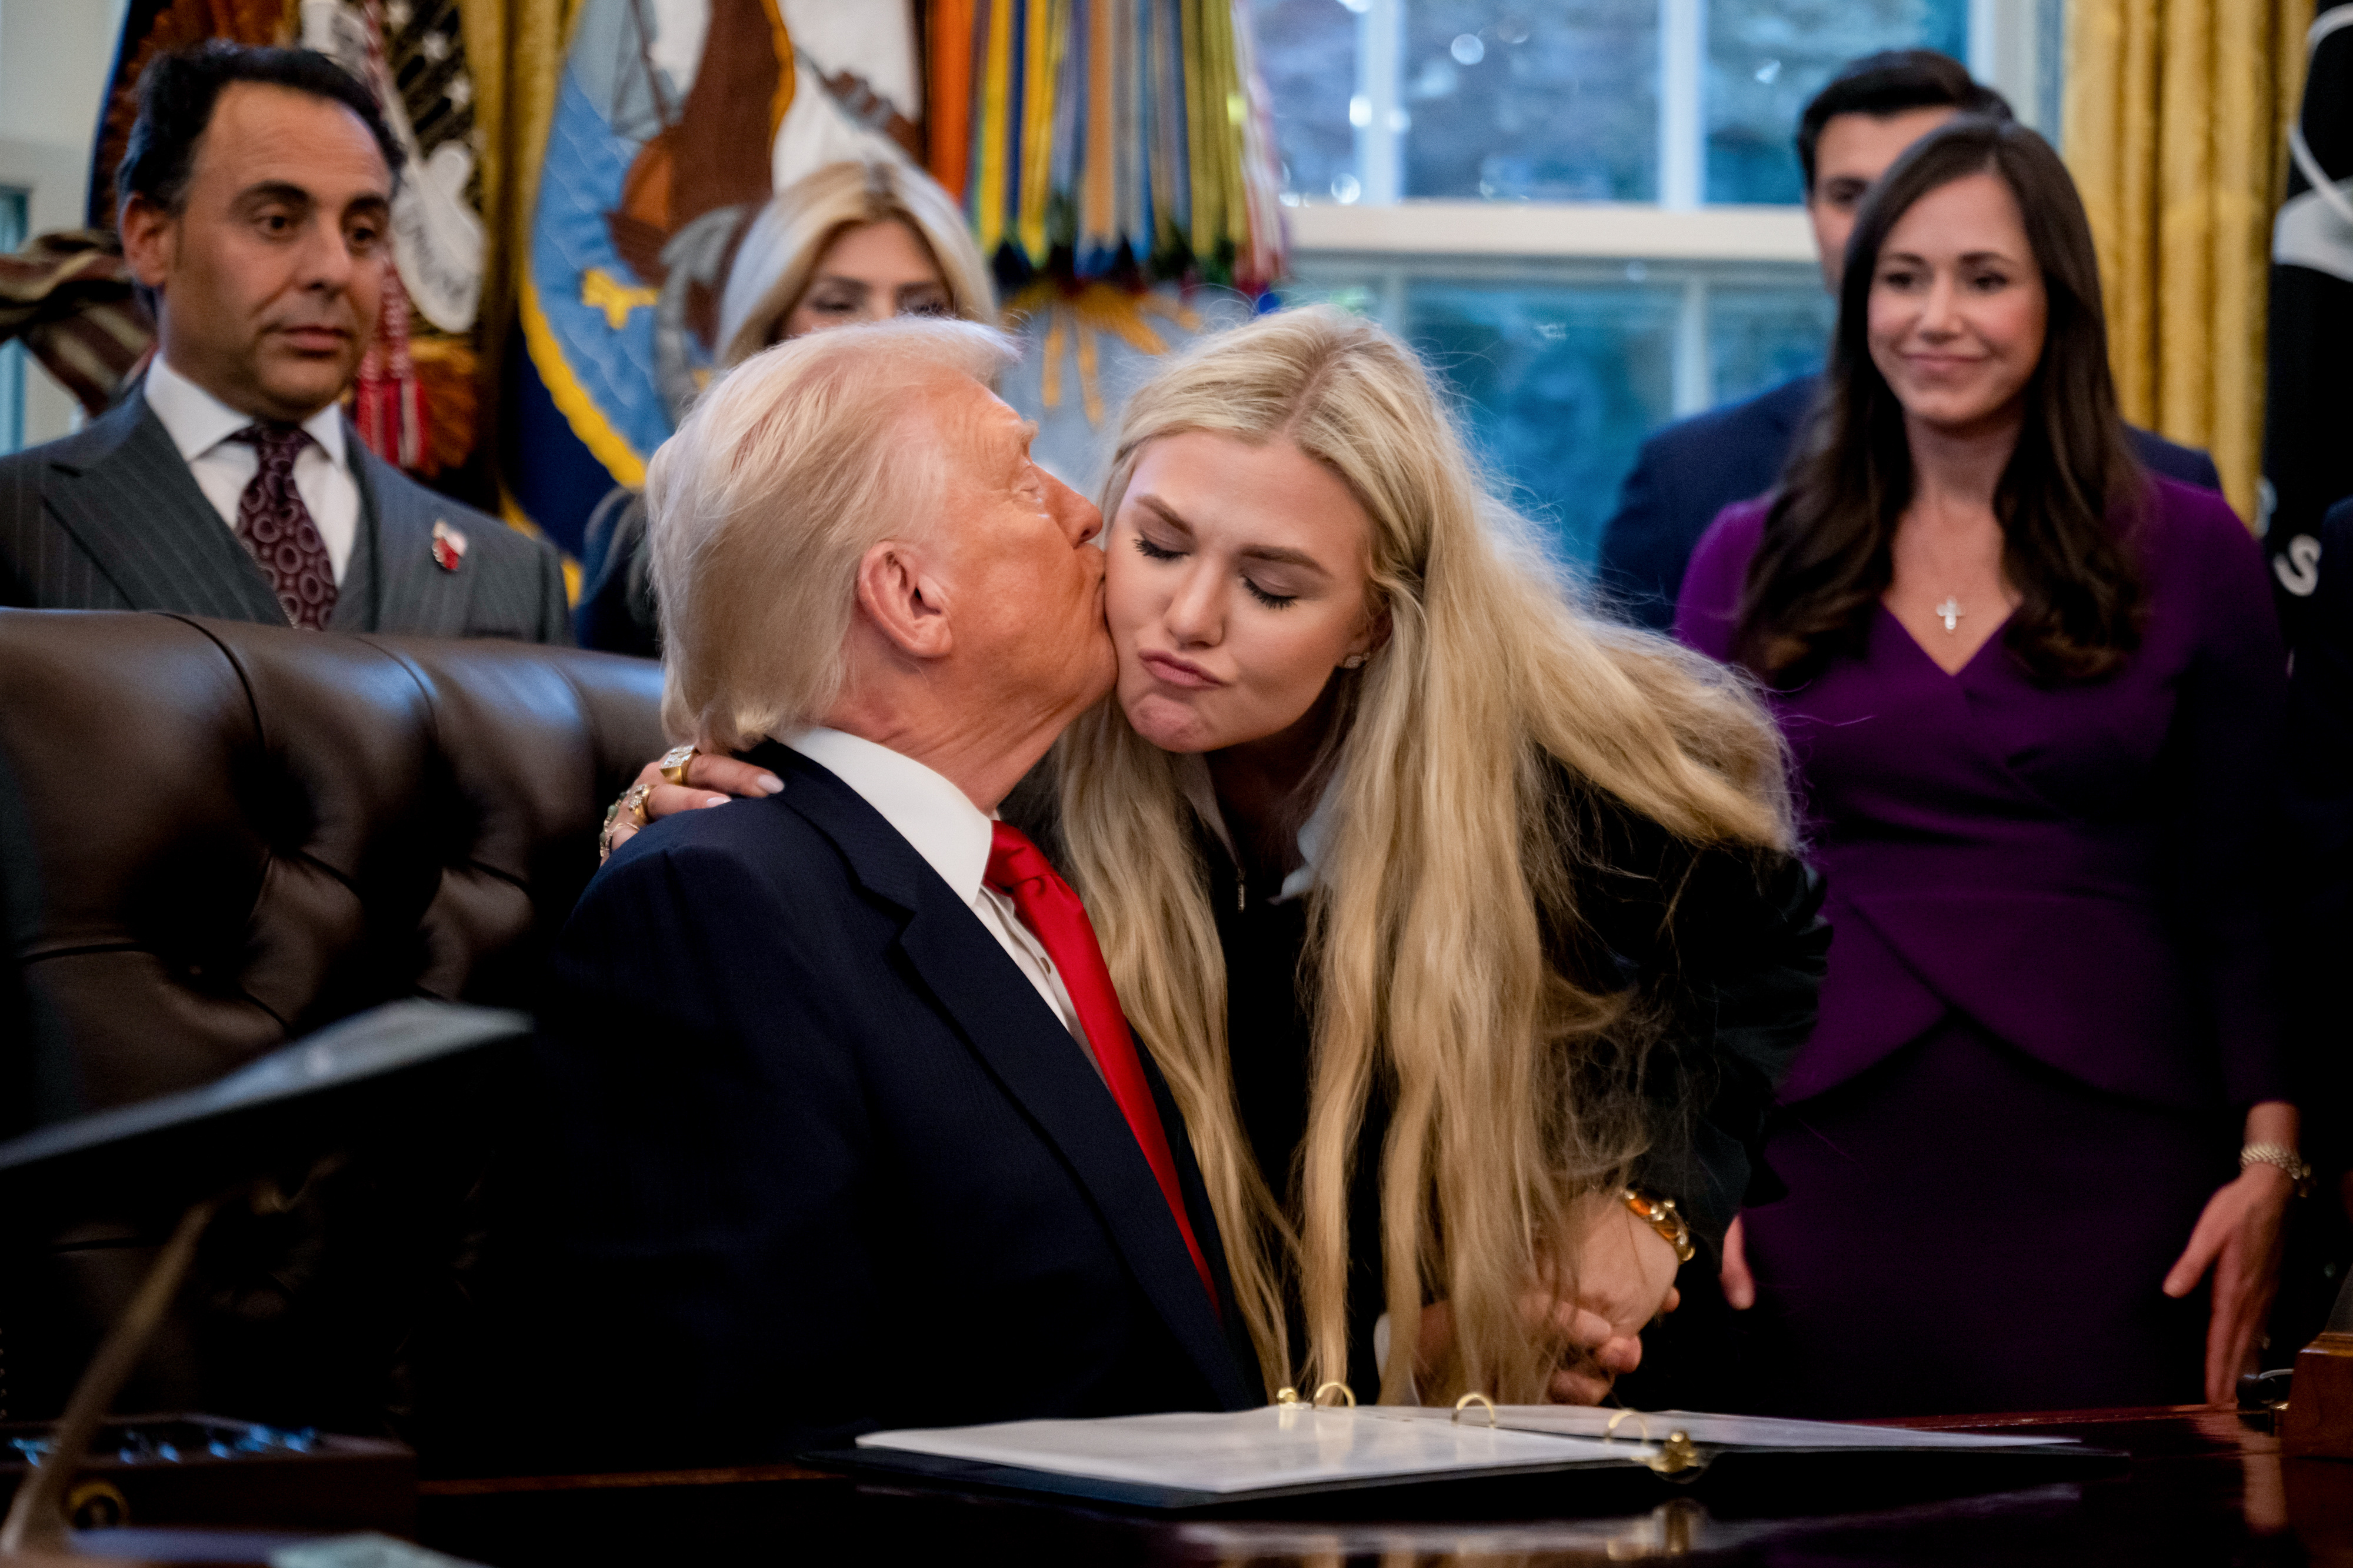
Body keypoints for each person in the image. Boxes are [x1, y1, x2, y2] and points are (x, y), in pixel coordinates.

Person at [618, 305, 1830, 1408]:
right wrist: (678, 793)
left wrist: (1650, 1210)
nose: (1186, 620)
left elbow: (1764, 926)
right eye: (1155, 543)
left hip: (1551, 1380)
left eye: (1269, 585)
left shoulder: (1552, 748)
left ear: (1371, 620)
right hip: (1243, 1390)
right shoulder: (1033, 737)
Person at [504, 317, 1258, 1466]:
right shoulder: (716, 912)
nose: (1085, 512)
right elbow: (736, 1461)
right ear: (910, 597)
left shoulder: (1011, 878)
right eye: (1020, 477)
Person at [1677, 116, 2297, 1417]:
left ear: (2055, 300)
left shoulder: (2190, 546)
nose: (1933, 317)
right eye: (1900, 278)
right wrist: (1684, 1166)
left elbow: (2246, 889)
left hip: (2119, 1171)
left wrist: (2268, 1154)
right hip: (1815, 1168)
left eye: (1982, 277)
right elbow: (1692, 905)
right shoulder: (1745, 555)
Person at [1597, 49, 2221, 632]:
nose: (1888, 222)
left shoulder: (2172, 501)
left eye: (1924, 183)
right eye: (1850, 197)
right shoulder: (1690, 482)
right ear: (1809, 210)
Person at [0, 44, 566, 641]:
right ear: (150, 239)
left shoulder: (513, 578)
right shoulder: (16, 523)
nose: (333, 268)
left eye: (363, 232)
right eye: (276, 221)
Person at [574, 158, 995, 656]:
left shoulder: (1020, 544)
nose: (886, 337)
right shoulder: (653, 543)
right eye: (838, 304)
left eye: (924, 310)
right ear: (768, 334)